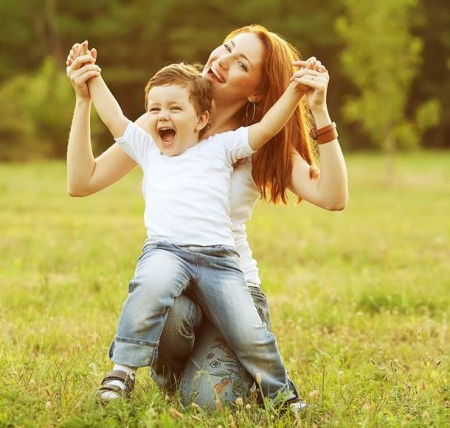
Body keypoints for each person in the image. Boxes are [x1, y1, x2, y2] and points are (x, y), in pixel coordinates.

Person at [65, 24, 348, 409]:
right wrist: (83, 100)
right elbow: (83, 182)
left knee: (207, 404)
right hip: (176, 277)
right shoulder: (166, 121)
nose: (221, 60)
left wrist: (318, 109)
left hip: (230, 279)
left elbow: (333, 198)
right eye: (226, 47)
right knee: (161, 301)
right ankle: (163, 372)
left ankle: (241, 375)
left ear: (258, 90)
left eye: (241, 62)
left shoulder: (251, 144)